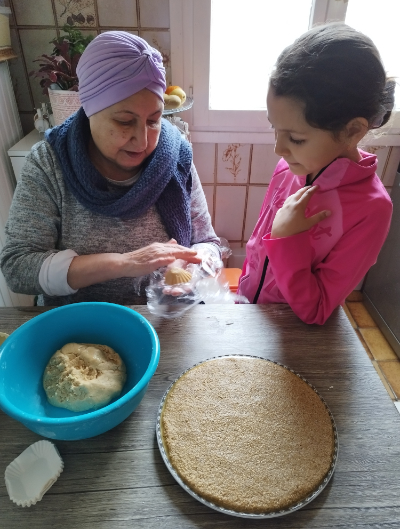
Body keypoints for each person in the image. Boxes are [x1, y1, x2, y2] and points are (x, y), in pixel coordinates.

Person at [0, 32, 220, 306]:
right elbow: (18, 267)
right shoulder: (50, 163)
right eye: (125, 121)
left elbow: (208, 243)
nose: (142, 140)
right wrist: (124, 263)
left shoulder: (176, 157)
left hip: (166, 324)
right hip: (82, 333)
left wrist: (194, 266)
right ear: (90, 110)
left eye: (154, 120)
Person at [238, 23, 394, 325]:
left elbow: (317, 309)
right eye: (274, 128)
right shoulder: (289, 166)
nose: (278, 149)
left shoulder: (372, 209)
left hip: (296, 337)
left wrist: (286, 238)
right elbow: (258, 251)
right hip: (250, 314)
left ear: (352, 131)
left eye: (296, 139)